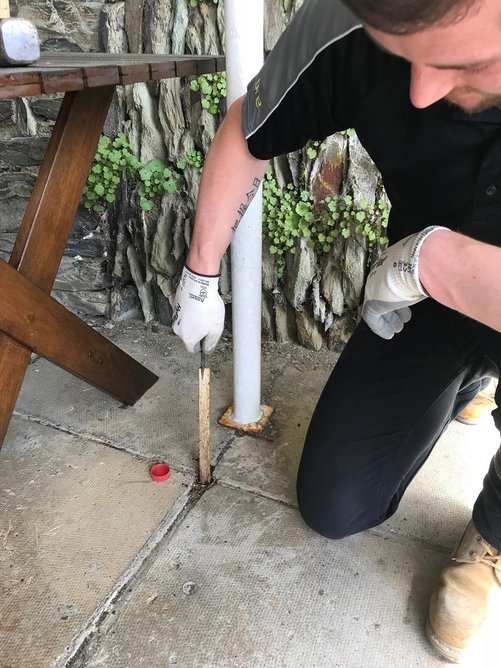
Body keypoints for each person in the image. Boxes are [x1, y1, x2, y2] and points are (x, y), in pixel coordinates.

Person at [172, 0, 501, 661]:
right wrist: (200, 276)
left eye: (466, 63)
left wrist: (436, 261)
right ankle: (470, 374)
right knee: (335, 503)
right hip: (424, 300)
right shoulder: (344, 19)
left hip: (430, 275)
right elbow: (248, 131)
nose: (421, 90)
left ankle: (491, 536)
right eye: (400, 54)